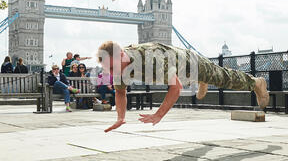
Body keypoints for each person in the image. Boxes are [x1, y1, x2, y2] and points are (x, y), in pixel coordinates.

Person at [96, 41, 270, 133]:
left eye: (113, 67)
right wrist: (120, 117)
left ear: (121, 54)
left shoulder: (150, 58)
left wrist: (158, 115)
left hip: (190, 63)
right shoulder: (118, 65)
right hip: (178, 71)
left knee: (223, 79)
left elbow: (176, 88)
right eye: (109, 69)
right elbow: (120, 92)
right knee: (194, 78)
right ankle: (201, 81)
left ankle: (256, 82)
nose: (113, 72)